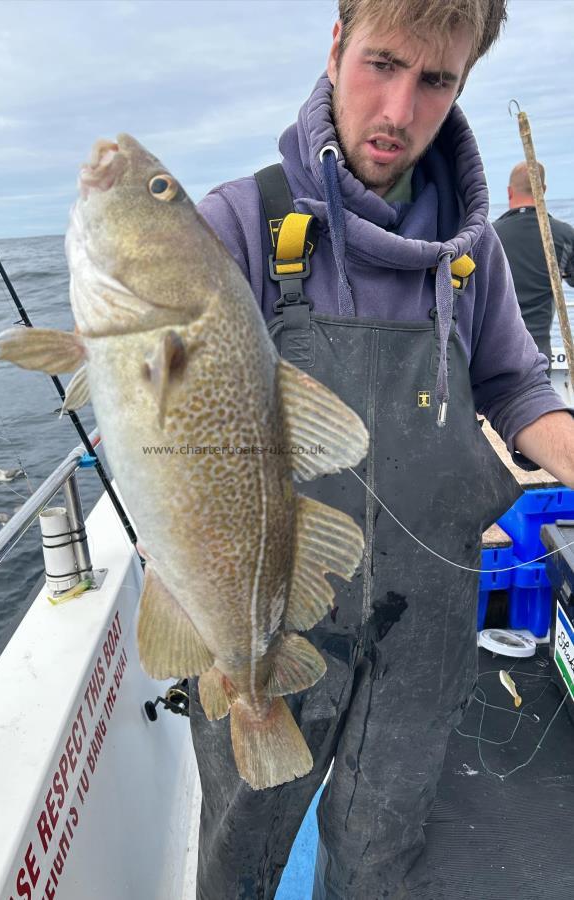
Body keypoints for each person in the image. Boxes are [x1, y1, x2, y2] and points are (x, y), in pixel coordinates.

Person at [188, 2, 574, 898]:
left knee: (381, 848)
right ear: (334, 45)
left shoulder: (470, 252)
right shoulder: (239, 224)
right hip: (269, 621)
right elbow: (174, 419)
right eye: (380, 64)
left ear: (462, 83)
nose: (398, 110)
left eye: (434, 80)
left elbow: (516, 385)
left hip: (425, 619)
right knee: (238, 846)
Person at [493, 160, 574, 374]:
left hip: (493, 349)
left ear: (510, 192)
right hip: (537, 351)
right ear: (543, 190)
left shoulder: (490, 236)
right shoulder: (562, 235)